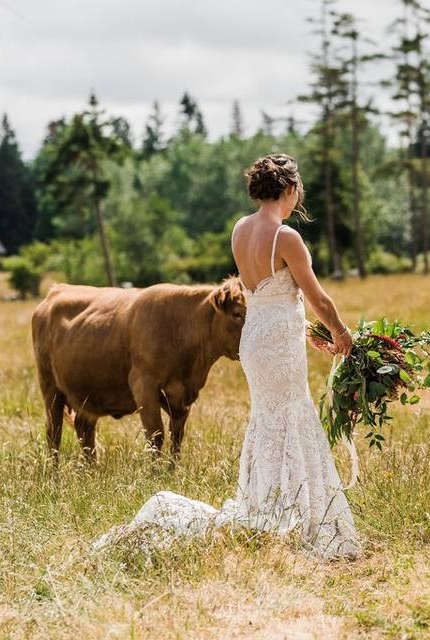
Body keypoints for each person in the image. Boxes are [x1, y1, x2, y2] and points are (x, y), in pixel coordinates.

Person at [95, 154, 360, 560]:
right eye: (298, 191)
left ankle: (267, 502)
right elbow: (314, 295)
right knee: (292, 414)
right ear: (289, 190)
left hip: (255, 339)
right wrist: (341, 332)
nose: (297, 199)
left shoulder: (240, 230)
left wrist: (309, 333)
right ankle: (300, 517)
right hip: (276, 341)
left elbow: (266, 297)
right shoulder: (286, 237)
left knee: (270, 418)